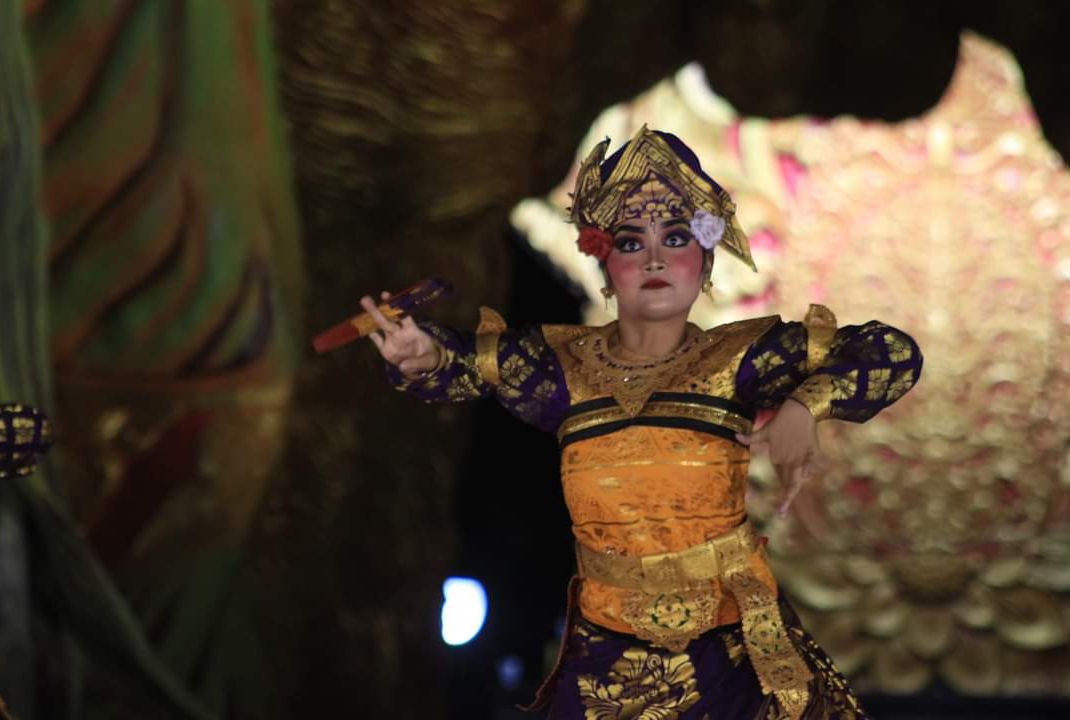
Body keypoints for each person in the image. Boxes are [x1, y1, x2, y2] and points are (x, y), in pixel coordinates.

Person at [360, 126, 921, 720]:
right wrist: (422, 352)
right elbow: (461, 363)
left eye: (676, 238)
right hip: (602, 663)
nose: (654, 258)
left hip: (726, 655)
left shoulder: (741, 358)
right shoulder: (561, 366)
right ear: (605, 266)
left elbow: (892, 352)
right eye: (631, 242)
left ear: (706, 260)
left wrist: (807, 406)